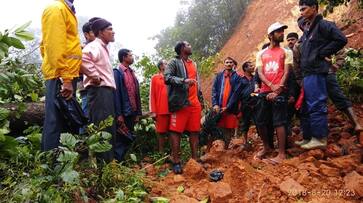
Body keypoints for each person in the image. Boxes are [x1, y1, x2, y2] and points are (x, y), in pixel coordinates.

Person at [298, 0, 347, 149]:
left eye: (304, 9)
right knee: (307, 106)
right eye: (300, 10)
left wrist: (322, 53)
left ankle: (320, 138)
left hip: (317, 72)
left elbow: (341, 39)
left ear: (314, 8)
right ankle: (310, 137)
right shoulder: (308, 30)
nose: (301, 12)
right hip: (308, 74)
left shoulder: (323, 25)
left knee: (316, 104)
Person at [40, 0, 82, 151]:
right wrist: (65, 77)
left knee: (62, 120)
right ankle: (51, 166)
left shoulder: (66, 10)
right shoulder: (56, 9)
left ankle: (58, 163)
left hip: (65, 74)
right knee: (55, 121)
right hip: (61, 76)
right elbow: (53, 46)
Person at [254, 22, 292, 164]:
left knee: (279, 121)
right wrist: (270, 86)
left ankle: (281, 154)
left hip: (280, 91)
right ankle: (267, 147)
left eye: (282, 31)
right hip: (265, 91)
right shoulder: (261, 54)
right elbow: (260, 72)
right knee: (260, 121)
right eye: (278, 32)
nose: (282, 34)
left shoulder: (286, 52)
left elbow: (287, 72)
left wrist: (278, 90)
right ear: (270, 36)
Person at [164, 41, 203, 174]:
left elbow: (198, 83)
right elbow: (167, 78)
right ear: (182, 48)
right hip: (180, 103)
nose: (190, 46)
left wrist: (200, 99)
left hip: (194, 103)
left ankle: (194, 159)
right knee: (176, 131)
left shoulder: (194, 63)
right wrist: (183, 80)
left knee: (195, 131)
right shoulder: (173, 62)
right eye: (188, 44)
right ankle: (176, 161)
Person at [81, 18, 116, 162]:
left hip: (105, 92)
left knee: (108, 127)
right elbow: (83, 58)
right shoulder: (94, 46)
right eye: (109, 29)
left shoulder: (102, 47)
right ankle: (105, 166)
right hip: (99, 91)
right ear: (100, 32)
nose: (113, 32)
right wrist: (94, 76)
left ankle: (108, 163)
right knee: (103, 128)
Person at [113, 49, 142, 161]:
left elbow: (136, 93)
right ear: (124, 57)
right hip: (123, 113)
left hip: (131, 112)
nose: (132, 57)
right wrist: (118, 114)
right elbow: (116, 95)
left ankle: (124, 162)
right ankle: (118, 163)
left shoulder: (131, 72)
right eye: (130, 55)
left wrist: (137, 113)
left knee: (128, 137)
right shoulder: (117, 72)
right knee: (121, 138)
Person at [212, 57, 241, 148]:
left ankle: (227, 148)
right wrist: (215, 104)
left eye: (230, 62)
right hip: (219, 106)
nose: (229, 64)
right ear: (224, 64)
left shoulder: (237, 77)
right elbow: (214, 90)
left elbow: (236, 93)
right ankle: (218, 148)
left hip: (230, 107)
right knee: (219, 126)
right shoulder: (219, 76)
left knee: (229, 127)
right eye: (227, 62)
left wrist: (228, 106)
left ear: (233, 64)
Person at [149, 59, 169, 153]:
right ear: (161, 66)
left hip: (172, 109)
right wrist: (153, 111)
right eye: (166, 63)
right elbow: (152, 95)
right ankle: (161, 153)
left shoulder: (172, 77)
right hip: (161, 109)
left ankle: (172, 152)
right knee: (161, 132)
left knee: (173, 131)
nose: (168, 65)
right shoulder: (155, 78)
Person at [239, 61, 256, 148]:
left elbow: (258, 89)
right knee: (245, 123)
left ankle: (263, 142)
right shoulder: (241, 80)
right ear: (245, 68)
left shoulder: (255, 78)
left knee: (259, 122)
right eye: (250, 66)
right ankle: (244, 142)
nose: (253, 67)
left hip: (256, 103)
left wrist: (255, 95)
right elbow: (237, 93)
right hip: (245, 104)